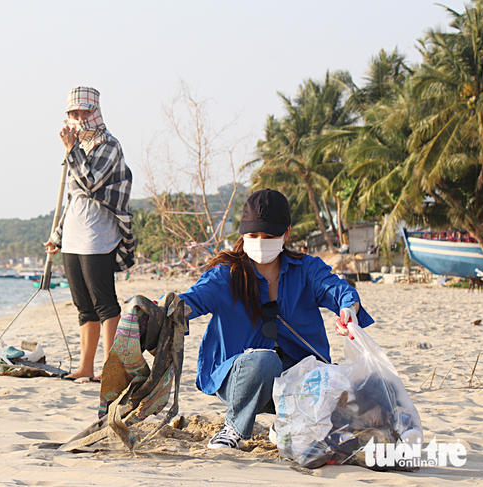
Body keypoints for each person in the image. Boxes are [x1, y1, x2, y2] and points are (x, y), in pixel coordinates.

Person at [176, 189, 374, 449]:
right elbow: (192, 300)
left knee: (348, 388)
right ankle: (233, 427)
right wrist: (168, 309)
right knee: (263, 361)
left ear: (286, 234)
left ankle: (285, 423)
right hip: (242, 377)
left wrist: (348, 309)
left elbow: (339, 290)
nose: (260, 241)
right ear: (243, 235)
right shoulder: (226, 274)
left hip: (297, 378)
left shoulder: (307, 269)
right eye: (253, 235)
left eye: (269, 236)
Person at [44, 86, 135, 381]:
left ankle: (113, 367)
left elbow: (91, 184)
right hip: (73, 234)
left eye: (84, 112)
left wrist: (71, 152)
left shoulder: (109, 145)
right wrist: (57, 236)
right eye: (73, 113)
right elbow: (72, 199)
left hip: (99, 235)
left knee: (104, 302)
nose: (79, 118)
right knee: (84, 306)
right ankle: (86, 366)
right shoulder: (78, 148)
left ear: (95, 112)